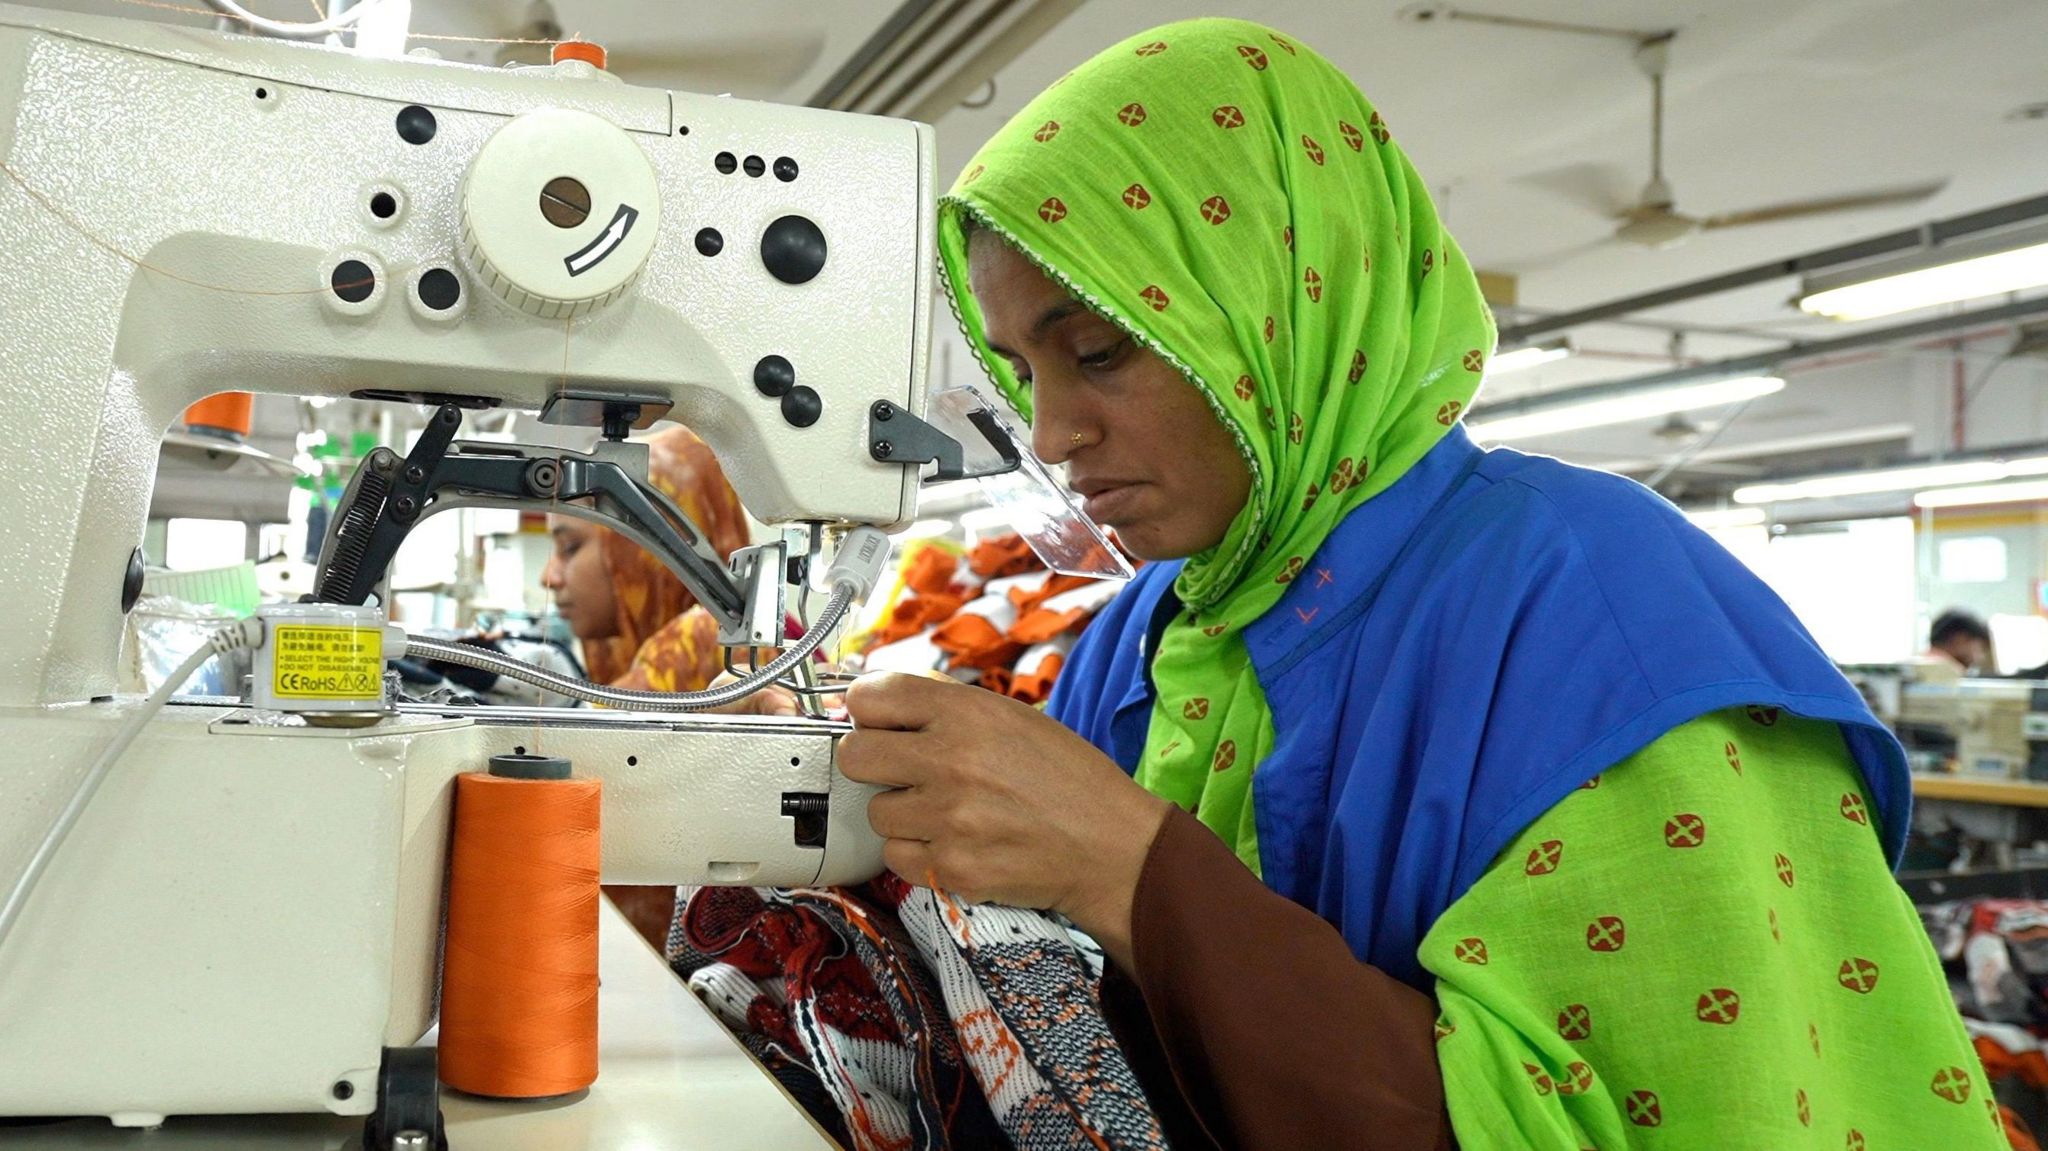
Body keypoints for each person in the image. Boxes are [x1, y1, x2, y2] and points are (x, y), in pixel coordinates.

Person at [800, 19, 2001, 1151]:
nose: (1051, 431)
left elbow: (1698, 1109)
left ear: (1277, 298)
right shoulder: (1145, 638)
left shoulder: (1602, 612)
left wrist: (1128, 863)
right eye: (1018, 370)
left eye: (1098, 351)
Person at [540, 422, 752, 945]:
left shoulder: (703, 643)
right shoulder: (645, 653)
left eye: (570, 548)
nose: (550, 575)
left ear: (644, 547)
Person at [1928, 608, 1992, 673]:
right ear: (1959, 640)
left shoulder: (1924, 665)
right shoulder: (1949, 672)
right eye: (1981, 648)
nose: (1981, 657)